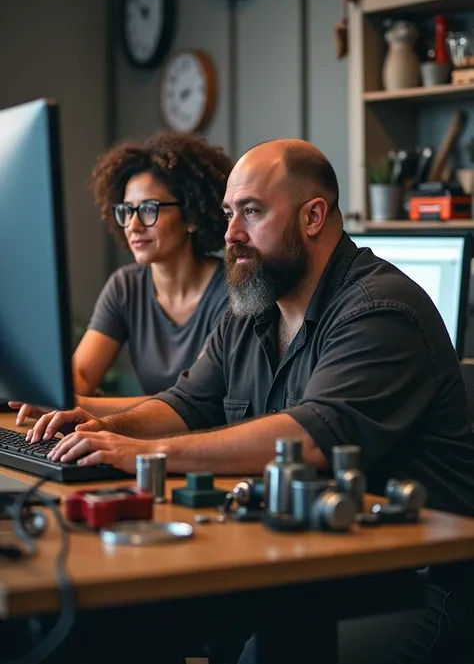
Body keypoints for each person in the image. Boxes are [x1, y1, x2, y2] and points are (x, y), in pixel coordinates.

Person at [23, 139, 474, 663]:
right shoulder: (252, 308)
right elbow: (186, 402)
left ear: (313, 216)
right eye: (228, 213)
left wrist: (145, 453)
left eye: (252, 212)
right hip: (307, 555)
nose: (231, 233)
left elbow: (310, 439)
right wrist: (107, 428)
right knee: (107, 626)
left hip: (411, 582)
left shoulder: (380, 311)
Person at [11, 131, 232, 422]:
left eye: (149, 209)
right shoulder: (126, 287)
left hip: (203, 449)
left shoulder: (229, 291)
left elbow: (194, 399)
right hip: (142, 444)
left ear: (190, 216)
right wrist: (59, 400)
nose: (133, 225)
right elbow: (81, 372)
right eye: (126, 211)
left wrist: (80, 404)